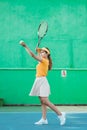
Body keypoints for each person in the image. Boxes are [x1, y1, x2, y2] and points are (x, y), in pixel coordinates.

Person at [19, 41, 66, 125]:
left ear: (47, 54)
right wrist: (38, 51)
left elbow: (33, 56)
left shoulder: (44, 61)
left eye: (43, 52)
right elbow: (37, 55)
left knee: (45, 100)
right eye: (41, 52)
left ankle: (60, 114)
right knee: (42, 101)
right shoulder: (42, 60)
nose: (41, 53)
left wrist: (25, 46)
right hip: (38, 80)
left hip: (42, 81)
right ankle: (44, 119)